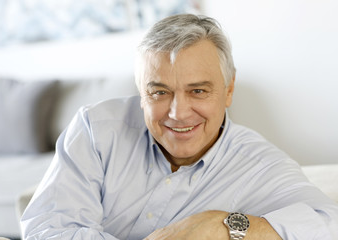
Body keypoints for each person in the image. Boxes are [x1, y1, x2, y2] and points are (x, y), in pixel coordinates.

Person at [21, 14, 338, 240]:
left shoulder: (260, 165)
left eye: (198, 91)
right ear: (141, 92)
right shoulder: (95, 130)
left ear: (229, 90)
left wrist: (225, 226)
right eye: (159, 92)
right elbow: (45, 229)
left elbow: (329, 225)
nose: (178, 112)